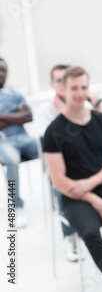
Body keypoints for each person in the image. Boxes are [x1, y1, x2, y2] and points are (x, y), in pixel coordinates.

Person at [43, 66, 102, 292]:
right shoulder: (53, 131)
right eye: (74, 88)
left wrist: (91, 183)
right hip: (75, 198)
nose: (80, 93)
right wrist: (93, 198)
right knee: (91, 234)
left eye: (84, 87)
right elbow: (59, 181)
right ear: (63, 89)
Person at [0, 57, 38, 228]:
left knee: (53, 148)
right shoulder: (15, 100)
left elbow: (29, 116)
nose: (1, 74)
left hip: (24, 139)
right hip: (4, 143)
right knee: (12, 160)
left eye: (4, 71)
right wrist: (16, 114)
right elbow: (22, 116)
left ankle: (61, 195)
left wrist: (3, 116)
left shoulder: (15, 94)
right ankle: (16, 207)